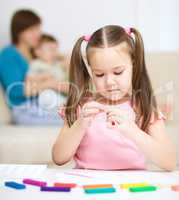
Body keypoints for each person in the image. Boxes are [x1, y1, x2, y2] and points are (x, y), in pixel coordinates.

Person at [52, 25, 176, 170]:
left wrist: (133, 131)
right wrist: (80, 124)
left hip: (131, 188)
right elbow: (58, 158)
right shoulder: (81, 106)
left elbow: (170, 162)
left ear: (133, 66)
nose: (109, 82)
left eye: (118, 72)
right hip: (86, 185)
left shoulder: (143, 107)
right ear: (91, 71)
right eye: (99, 74)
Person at [0, 9, 64, 125]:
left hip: (43, 103)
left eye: (38, 29)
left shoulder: (35, 53)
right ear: (19, 32)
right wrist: (49, 84)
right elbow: (15, 91)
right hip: (23, 108)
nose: (37, 34)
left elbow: (56, 57)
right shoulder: (8, 54)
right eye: (31, 30)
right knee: (68, 121)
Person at [29, 34, 68, 111]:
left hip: (60, 94)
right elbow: (30, 79)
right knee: (47, 97)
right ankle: (64, 107)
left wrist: (60, 56)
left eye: (56, 49)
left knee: (67, 97)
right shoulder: (36, 64)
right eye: (51, 49)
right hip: (46, 94)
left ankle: (66, 106)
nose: (54, 53)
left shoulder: (57, 64)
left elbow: (69, 60)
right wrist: (42, 77)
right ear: (38, 51)